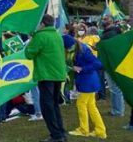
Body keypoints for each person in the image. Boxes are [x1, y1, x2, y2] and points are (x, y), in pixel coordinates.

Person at [26, 14, 68, 142]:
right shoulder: (56, 35)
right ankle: (60, 131)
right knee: (54, 105)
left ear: (43, 24)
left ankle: (56, 135)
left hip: (46, 74)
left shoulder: (40, 36)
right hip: (58, 74)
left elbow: (28, 53)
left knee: (47, 107)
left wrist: (32, 38)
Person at [61, 35, 106, 138]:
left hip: (88, 81)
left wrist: (82, 68)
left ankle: (84, 129)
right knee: (91, 106)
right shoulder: (78, 48)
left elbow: (98, 63)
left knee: (81, 104)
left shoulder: (83, 50)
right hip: (89, 81)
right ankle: (100, 131)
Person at [99, 16, 124, 116]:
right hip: (111, 62)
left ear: (110, 21)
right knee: (113, 88)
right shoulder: (111, 32)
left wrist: (99, 47)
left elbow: (110, 48)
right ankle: (116, 109)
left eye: (105, 19)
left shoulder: (111, 34)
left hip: (112, 63)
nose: (103, 21)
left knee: (115, 88)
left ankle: (118, 111)